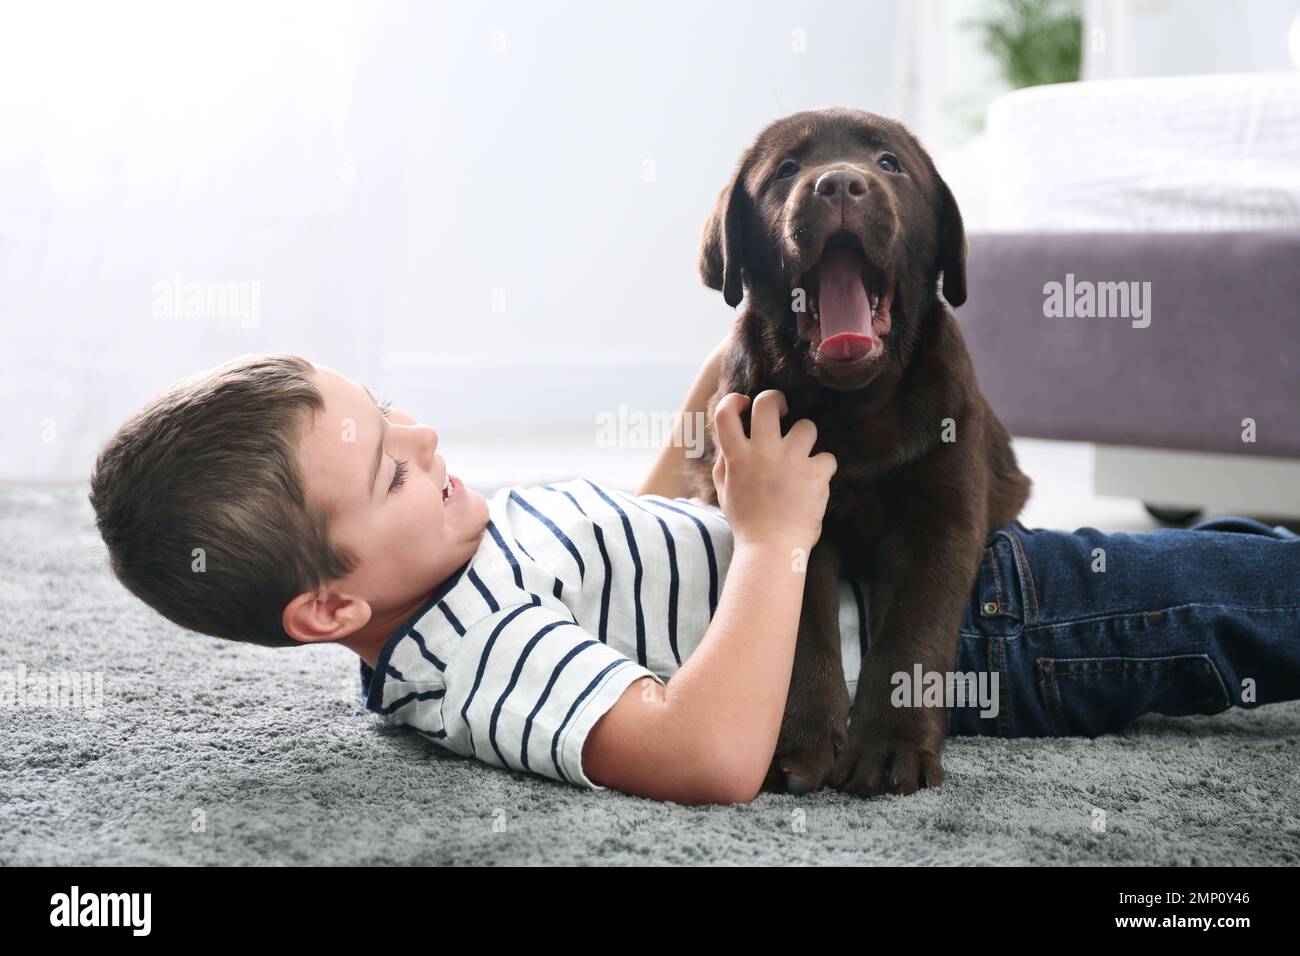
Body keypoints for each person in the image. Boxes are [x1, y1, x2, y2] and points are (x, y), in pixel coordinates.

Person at [88, 340, 1300, 806]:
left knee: (1240, 564)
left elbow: (647, 535)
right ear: (333, 607)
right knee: (1227, 604)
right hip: (966, 632)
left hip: (913, 565)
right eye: (390, 473)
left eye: (390, 413)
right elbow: (703, 754)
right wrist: (773, 539)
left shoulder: (458, 555)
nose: (424, 440)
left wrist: (714, 420)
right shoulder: (471, 656)